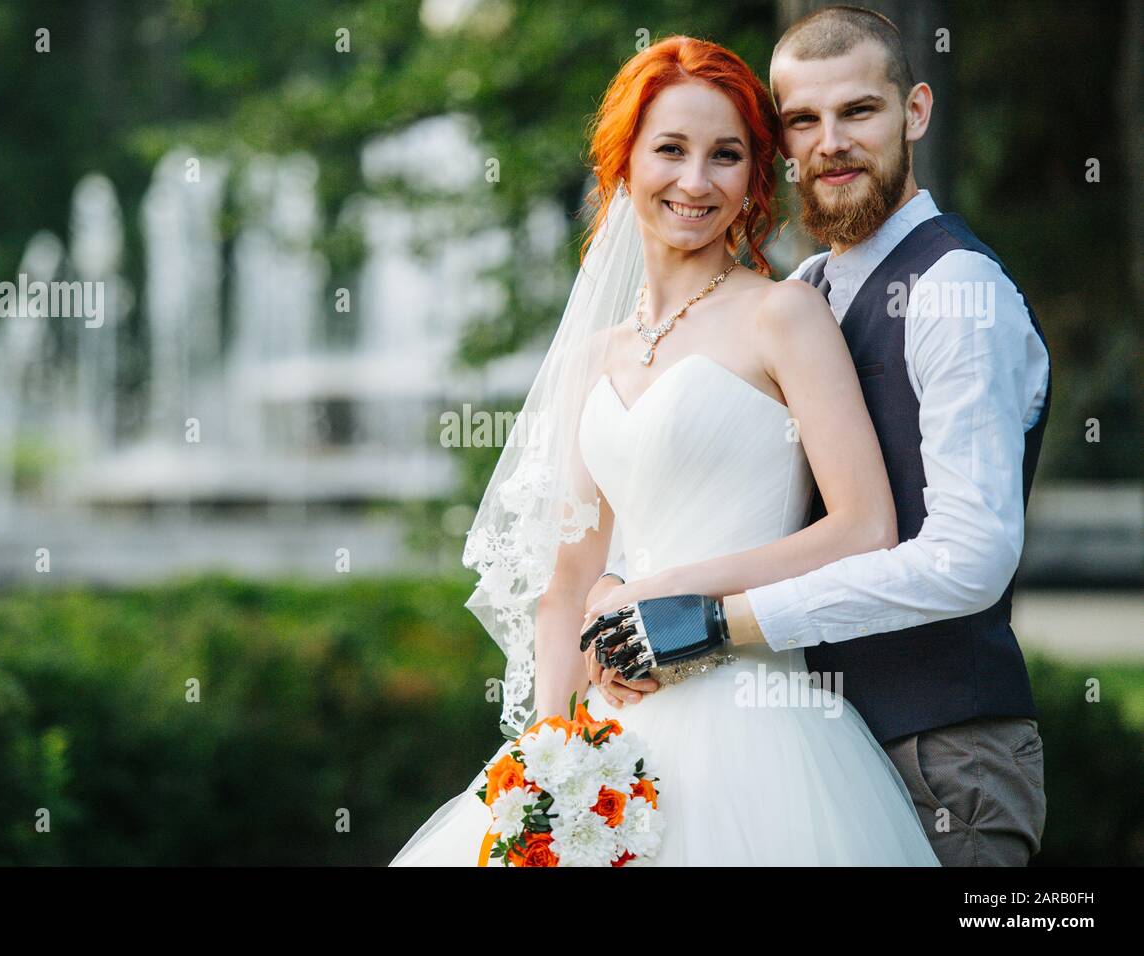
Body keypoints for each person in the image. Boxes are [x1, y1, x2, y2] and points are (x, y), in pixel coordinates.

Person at [391, 33, 939, 866]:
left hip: (754, 718)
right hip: (612, 725)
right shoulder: (592, 356)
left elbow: (865, 527)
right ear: (623, 162)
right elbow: (569, 580)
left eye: (725, 156)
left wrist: (657, 590)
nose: (695, 181)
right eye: (671, 150)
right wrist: (553, 762)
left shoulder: (783, 317)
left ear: (755, 176)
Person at [592, 6, 1051, 867]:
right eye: (804, 120)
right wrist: (629, 573)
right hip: (801, 744)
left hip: (942, 752)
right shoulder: (806, 288)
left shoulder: (961, 291)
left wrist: (715, 623)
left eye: (859, 112)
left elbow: (969, 557)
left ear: (915, 112)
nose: (831, 142)